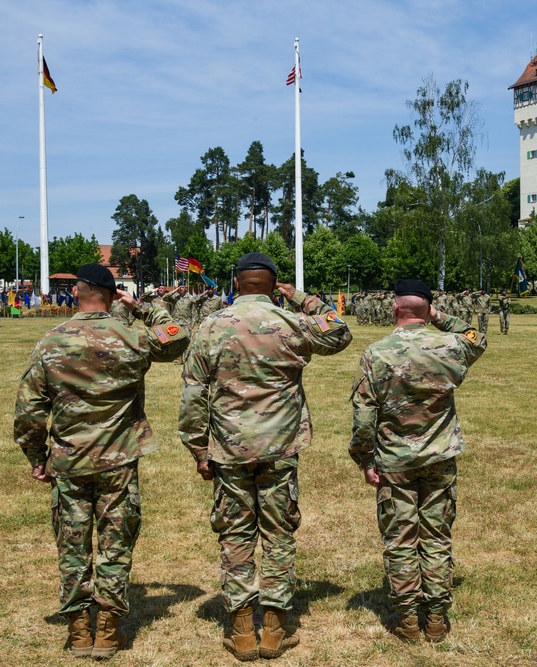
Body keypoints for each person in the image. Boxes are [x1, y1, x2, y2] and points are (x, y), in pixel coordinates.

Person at [178, 252, 353, 661]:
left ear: (236, 284)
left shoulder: (210, 326)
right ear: (274, 286)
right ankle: (273, 630)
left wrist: (198, 448)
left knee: (235, 534)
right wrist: (304, 299)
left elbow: (192, 394)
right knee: (278, 534)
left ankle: (242, 631)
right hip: (280, 448)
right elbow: (339, 332)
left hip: (230, 448)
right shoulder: (292, 323)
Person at [13, 264, 189, 659]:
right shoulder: (130, 336)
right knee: (115, 542)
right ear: (112, 296)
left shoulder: (50, 341)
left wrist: (36, 456)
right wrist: (143, 307)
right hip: (118, 459)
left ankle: (78, 629)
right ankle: (107, 629)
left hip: (69, 460)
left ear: (76, 293)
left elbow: (28, 410)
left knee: (72, 544)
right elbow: (178, 336)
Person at [348, 279, 487, 644]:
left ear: (395, 309)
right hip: (440, 457)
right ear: (428, 310)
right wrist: (439, 316)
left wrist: (365, 460)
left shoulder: (377, 352)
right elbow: (478, 338)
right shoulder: (450, 345)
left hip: (395, 460)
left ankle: (408, 619)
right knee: (437, 536)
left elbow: (364, 417)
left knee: (401, 538)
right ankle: (436, 618)